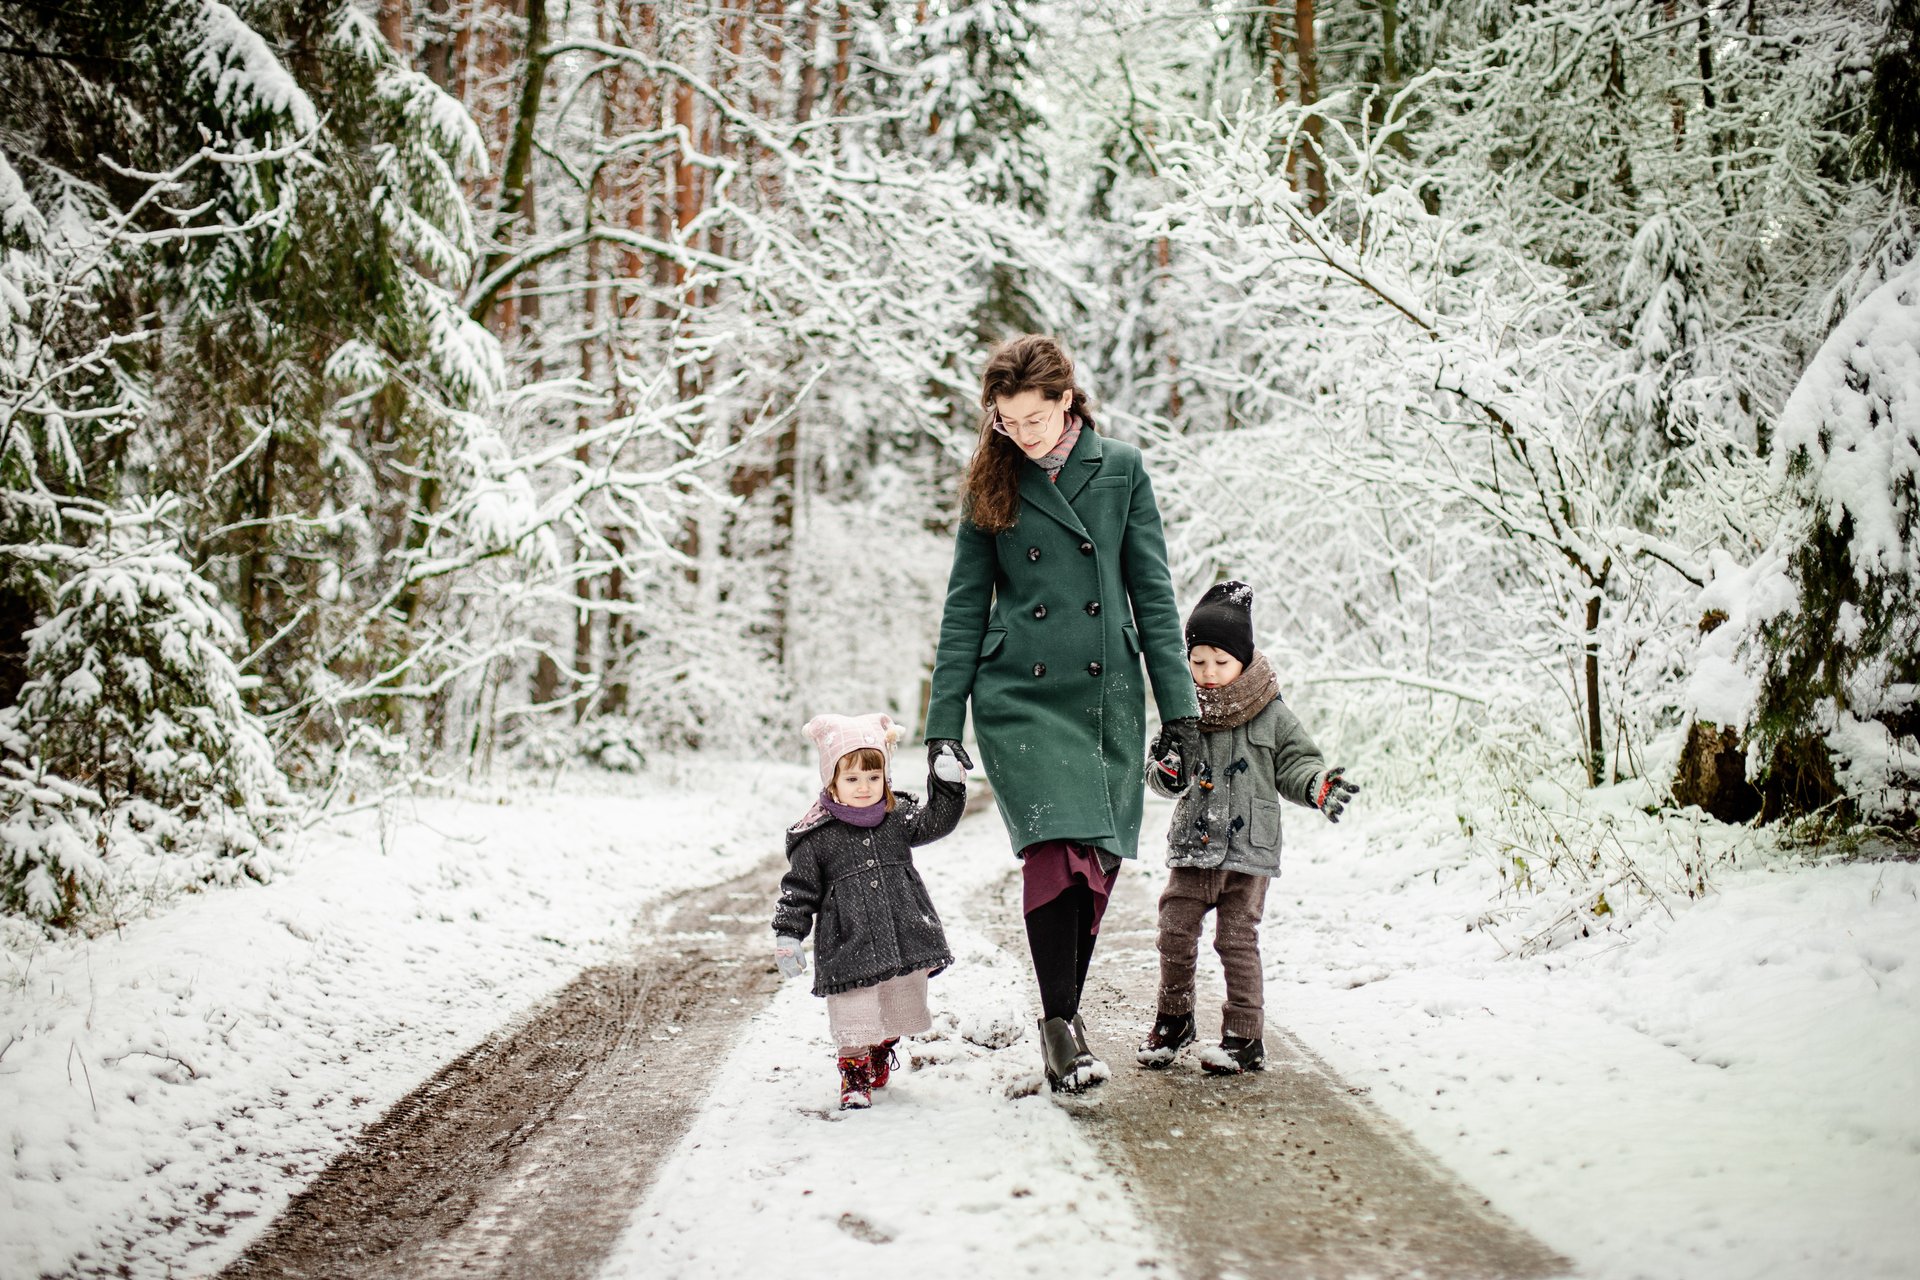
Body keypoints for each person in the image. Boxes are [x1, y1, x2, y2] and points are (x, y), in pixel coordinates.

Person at [923, 334, 1202, 1094]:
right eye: (1006, 422)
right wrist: (942, 728)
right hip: (1019, 692)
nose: (1020, 434)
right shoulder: (993, 481)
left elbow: (1153, 593)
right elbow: (961, 611)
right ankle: (1057, 1027)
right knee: (1053, 842)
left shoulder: (1122, 471)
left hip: (1105, 690)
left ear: (1065, 401)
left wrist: (1180, 714)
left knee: (1096, 861)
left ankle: (1067, 1016)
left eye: (1033, 419)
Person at [1136, 581, 1360, 1074]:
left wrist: (1317, 786)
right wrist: (1166, 772)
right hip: (1194, 846)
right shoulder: (1183, 712)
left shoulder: (1272, 713)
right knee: (1174, 931)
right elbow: (1159, 772)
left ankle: (1244, 1036)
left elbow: (1297, 764)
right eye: (1198, 662)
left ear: (1243, 659)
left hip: (1247, 852)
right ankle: (1174, 1020)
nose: (1209, 673)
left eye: (1221, 661)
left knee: (1237, 941)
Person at [772, 714, 970, 1110]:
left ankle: (880, 1049)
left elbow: (937, 820)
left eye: (872, 777)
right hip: (848, 942)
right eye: (851, 779)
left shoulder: (896, 817)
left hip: (902, 933)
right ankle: (854, 1074)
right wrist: (788, 934)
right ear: (831, 781)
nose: (864, 788)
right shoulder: (817, 837)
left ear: (885, 777)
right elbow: (799, 890)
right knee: (853, 1011)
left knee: (896, 1002)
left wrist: (948, 783)